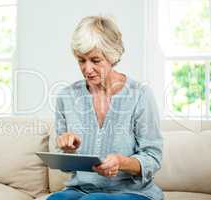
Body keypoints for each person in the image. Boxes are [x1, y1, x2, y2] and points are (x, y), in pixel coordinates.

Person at [48, 16, 164, 200]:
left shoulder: (140, 94)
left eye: (95, 60)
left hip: (132, 192)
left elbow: (153, 158)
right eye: (81, 60)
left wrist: (121, 162)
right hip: (82, 189)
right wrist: (68, 151)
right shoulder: (66, 97)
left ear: (112, 56)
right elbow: (66, 166)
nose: (87, 69)